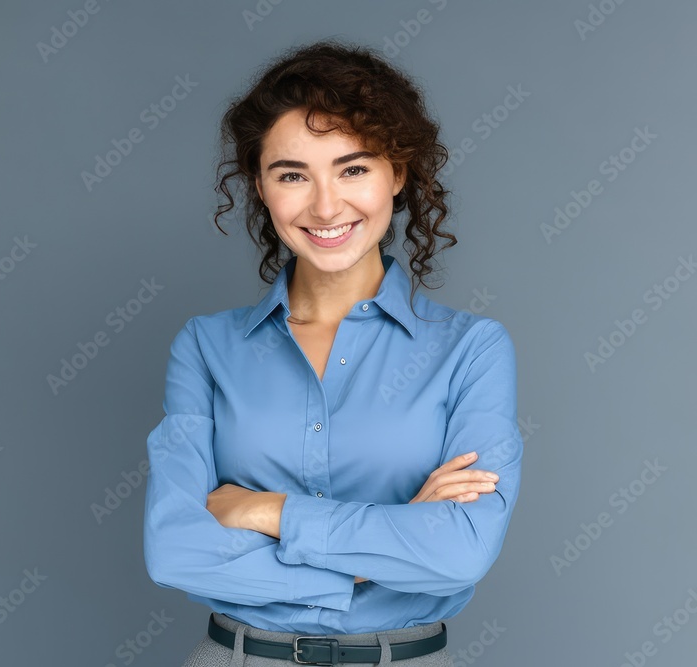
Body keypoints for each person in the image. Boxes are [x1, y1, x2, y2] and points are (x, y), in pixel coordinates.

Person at [143, 38, 522, 667]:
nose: (325, 205)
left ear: (397, 174)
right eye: (292, 174)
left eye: (353, 168)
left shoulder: (471, 350)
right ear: (261, 188)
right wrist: (375, 561)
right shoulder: (207, 347)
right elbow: (176, 551)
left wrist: (265, 511)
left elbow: (460, 552)